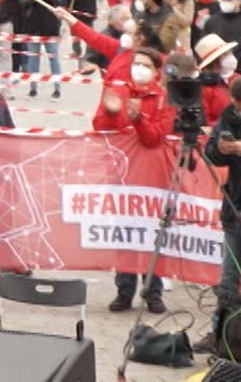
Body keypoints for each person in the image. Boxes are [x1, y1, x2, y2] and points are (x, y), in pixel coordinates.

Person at [94, 46, 178, 314]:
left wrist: (138, 118)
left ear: (156, 71)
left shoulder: (165, 98)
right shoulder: (118, 91)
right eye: (135, 63)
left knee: (155, 236)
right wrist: (110, 111)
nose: (138, 69)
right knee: (125, 234)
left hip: (154, 179)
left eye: (145, 65)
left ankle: (153, 292)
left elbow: (154, 137)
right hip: (123, 176)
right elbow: (100, 127)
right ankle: (124, 291)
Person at [201, 79, 241, 354]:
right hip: (235, 210)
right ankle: (221, 335)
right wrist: (220, 149)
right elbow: (210, 153)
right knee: (228, 280)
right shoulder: (229, 118)